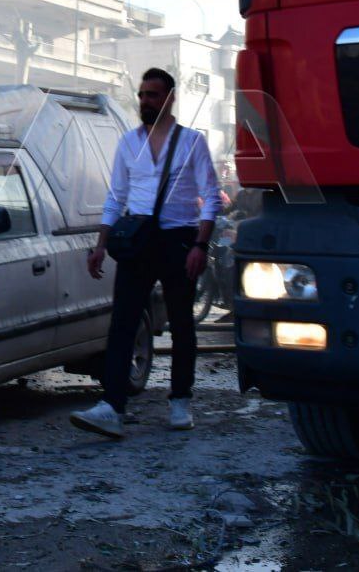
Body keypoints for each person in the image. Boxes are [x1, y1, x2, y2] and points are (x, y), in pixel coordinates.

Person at [71, 67, 221, 439]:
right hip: (137, 239)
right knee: (122, 322)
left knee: (182, 323)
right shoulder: (128, 143)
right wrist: (101, 244)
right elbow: (115, 197)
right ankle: (112, 407)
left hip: (178, 239)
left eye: (152, 95)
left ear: (169, 99)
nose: (144, 102)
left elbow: (212, 197)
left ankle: (180, 400)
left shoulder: (192, 142)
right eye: (141, 95)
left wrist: (201, 245)